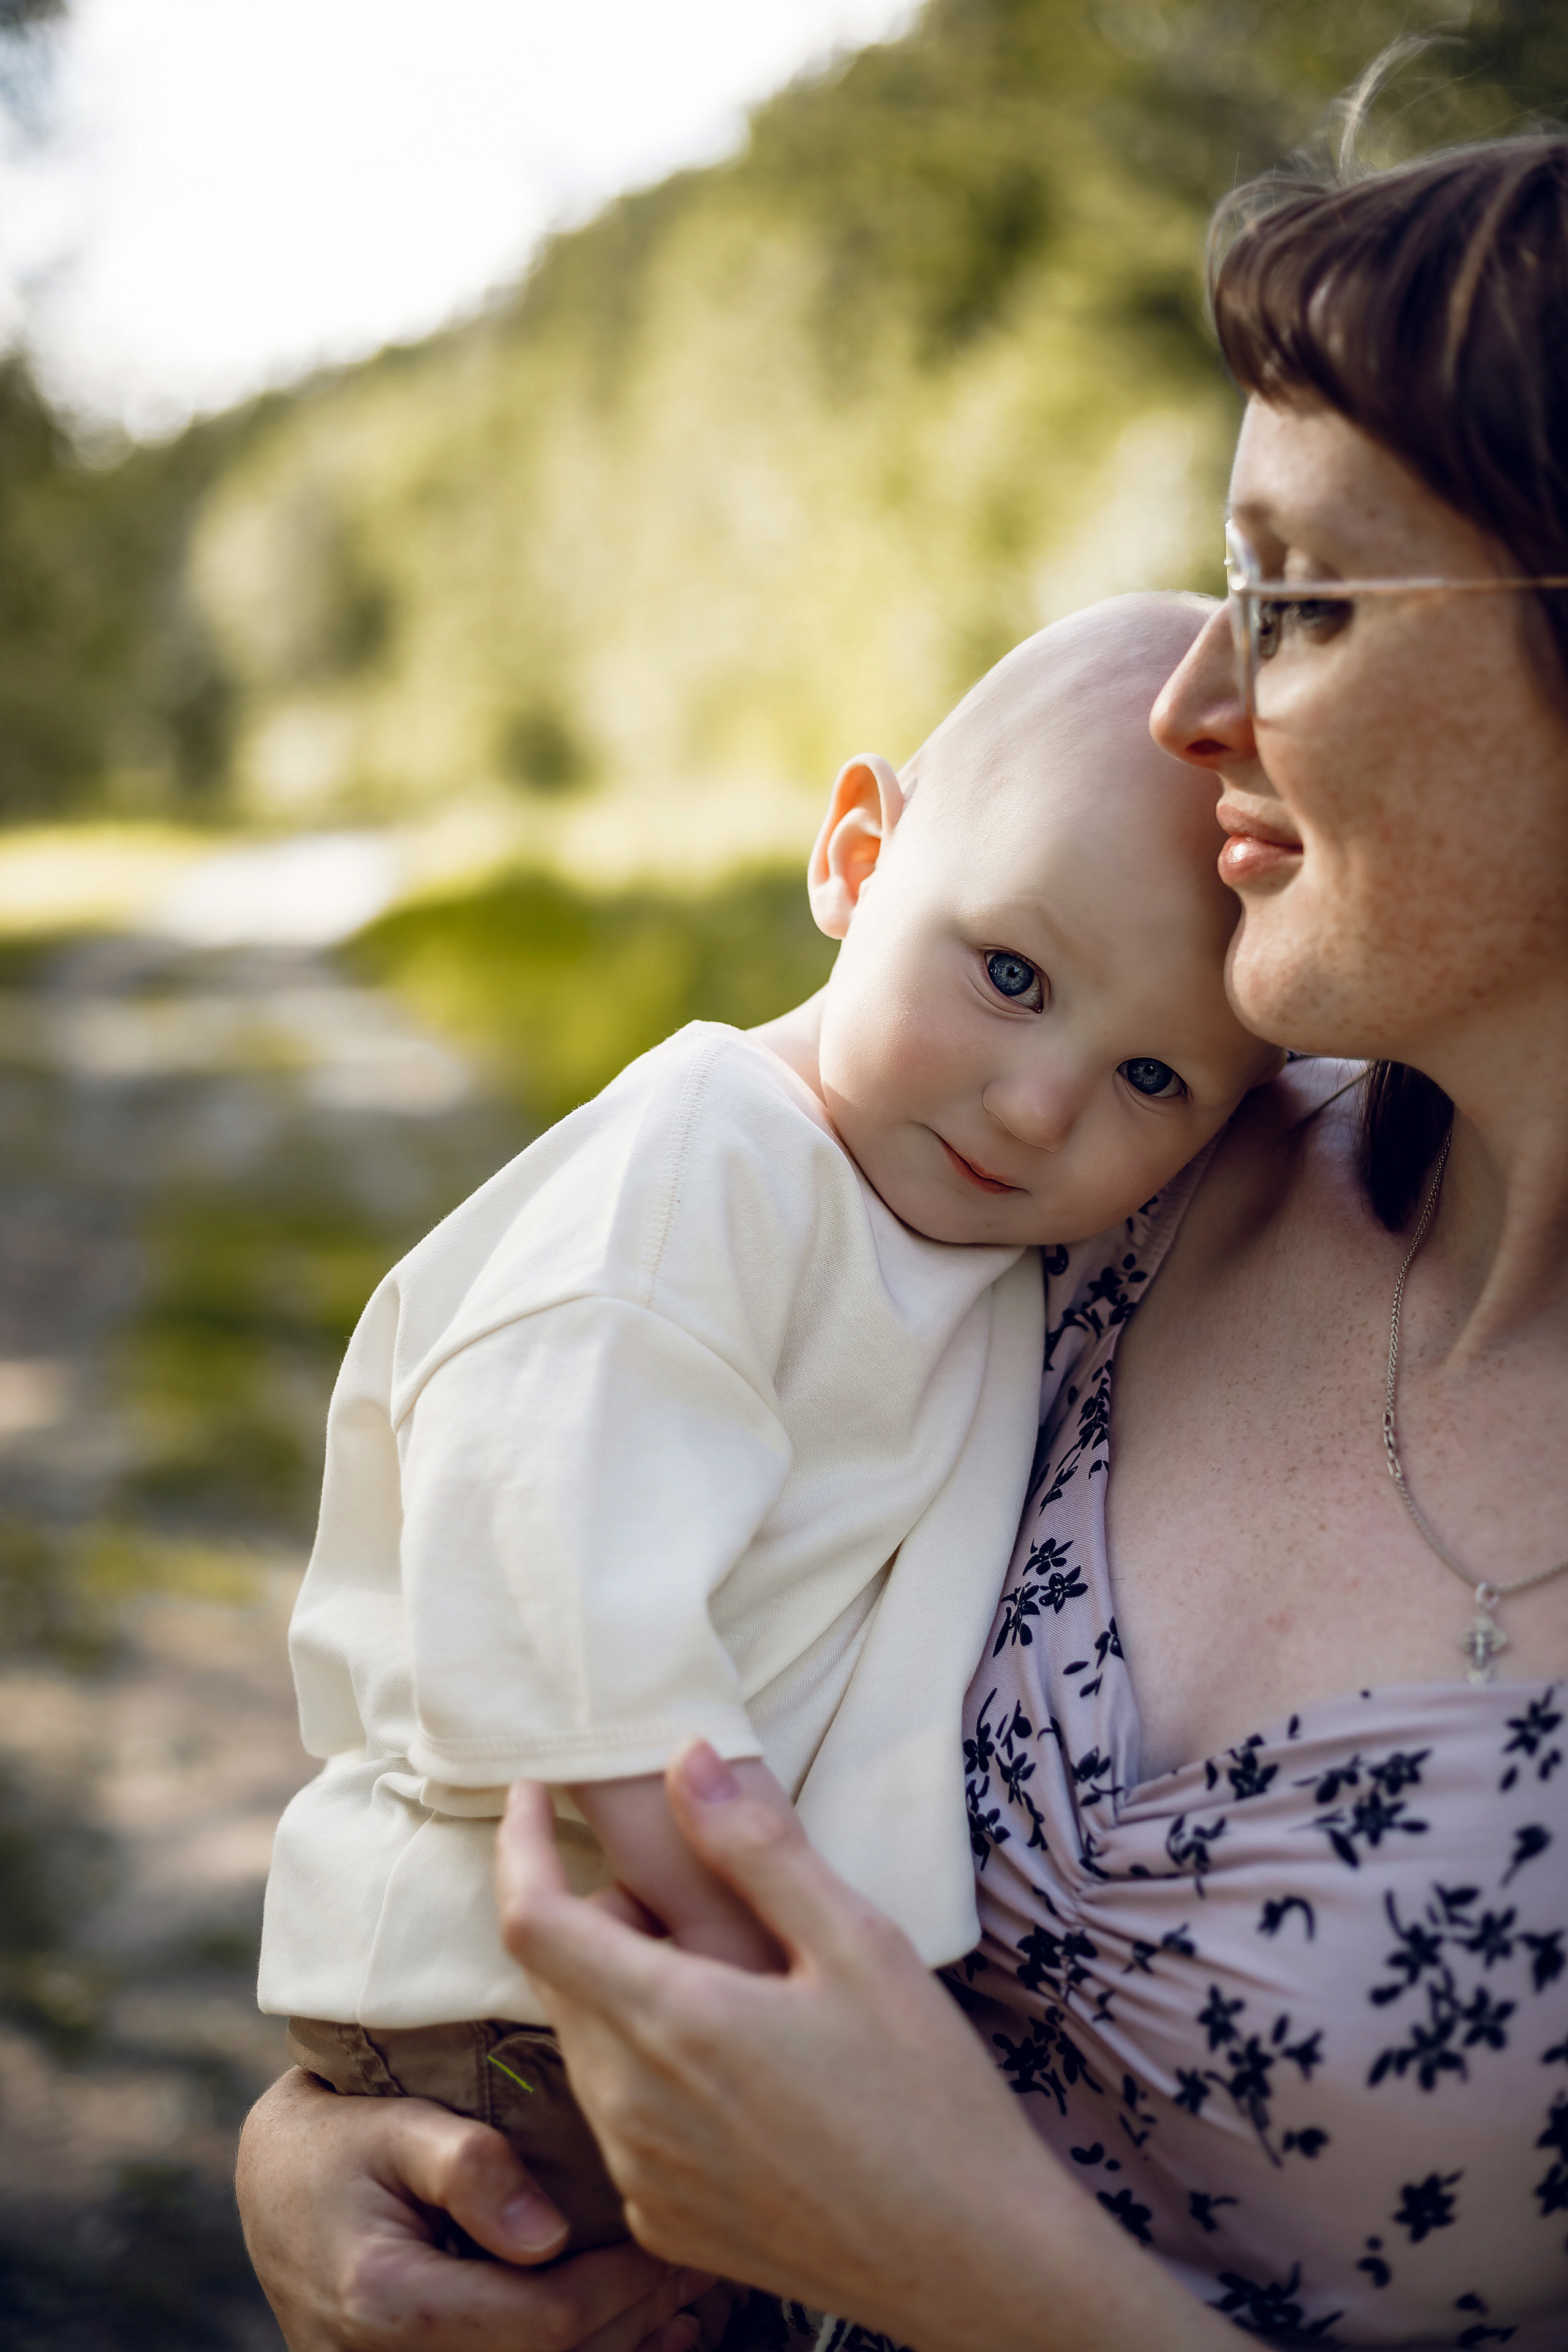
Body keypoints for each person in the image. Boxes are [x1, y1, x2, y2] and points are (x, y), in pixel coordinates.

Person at [237, 129, 1568, 2352]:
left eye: (1303, 601)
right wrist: (322, 2153)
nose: (1191, 708)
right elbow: (554, 1540)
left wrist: (966, 2270)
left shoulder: (1131, 1134)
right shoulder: (1137, 1205)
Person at [258, 595, 1278, 2254]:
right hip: (528, 1980)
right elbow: (552, 1565)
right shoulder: (710, 1160)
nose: (1040, 1106)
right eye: (1011, 973)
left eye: (1155, 1080)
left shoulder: (978, 1244)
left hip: (651, 1980)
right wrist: (742, 1943)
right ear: (858, 860)